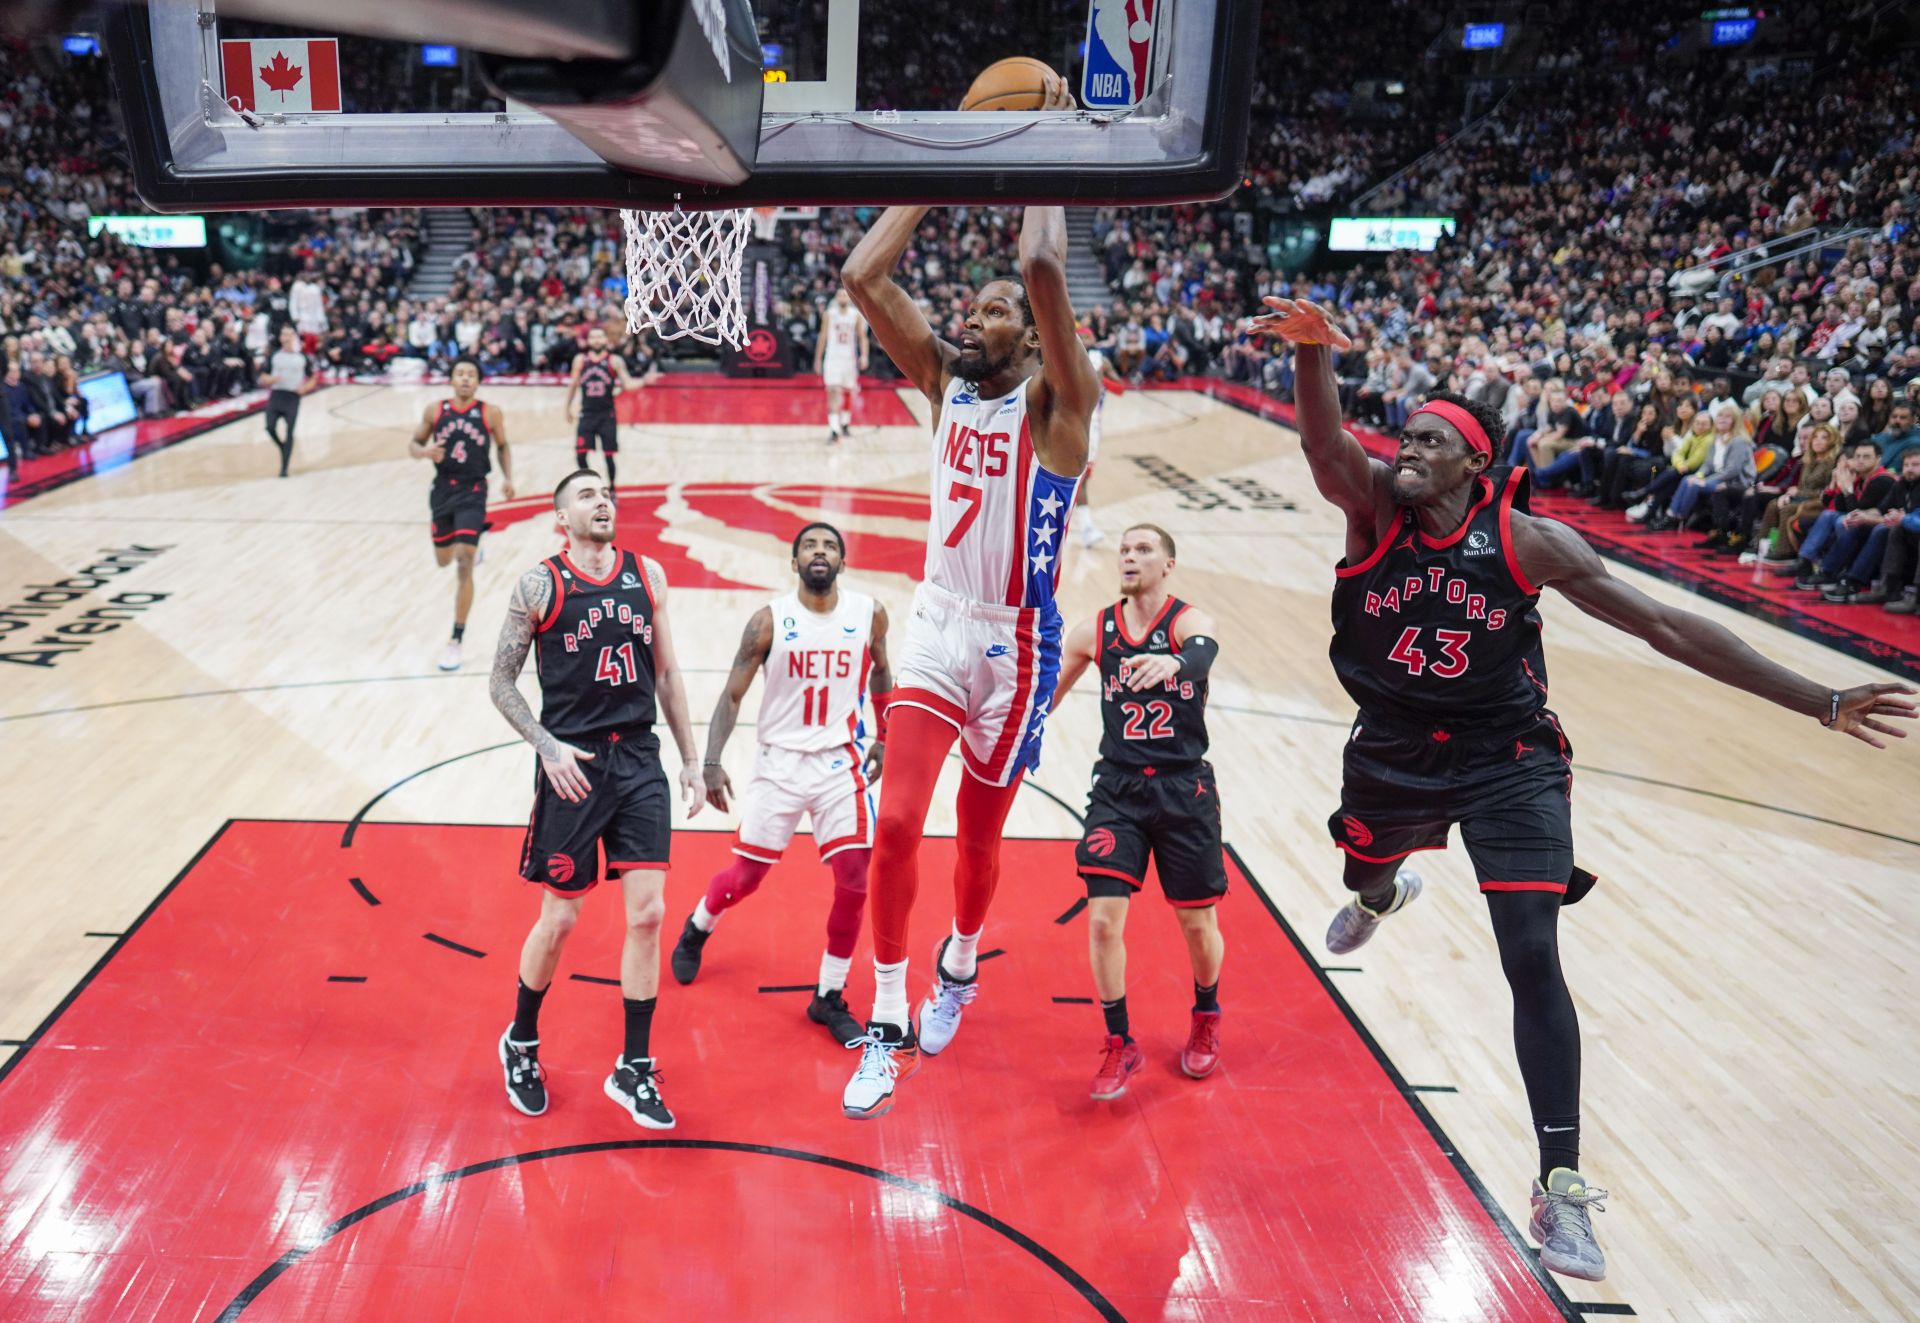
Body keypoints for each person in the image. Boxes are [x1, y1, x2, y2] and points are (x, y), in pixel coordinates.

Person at [1253, 295, 1915, 1283]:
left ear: (1474, 466)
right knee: (1365, 865)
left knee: (1530, 952)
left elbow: (1671, 629)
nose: (1409, 449)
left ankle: (1560, 1187)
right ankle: (1382, 892)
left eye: (1432, 440)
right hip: (1392, 745)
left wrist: (1817, 700)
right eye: (1408, 434)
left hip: (1509, 757)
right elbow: (1323, 445)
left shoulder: (1531, 544)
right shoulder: (1372, 507)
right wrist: (1311, 353)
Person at [835, 135, 1100, 1117]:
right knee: (896, 821)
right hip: (943, 621)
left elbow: (1038, 266)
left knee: (977, 840)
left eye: (994, 311)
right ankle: (889, 1014)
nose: (972, 315)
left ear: (1033, 335)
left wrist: (1037, 148)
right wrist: (939, 169)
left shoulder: (1068, 402)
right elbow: (866, 276)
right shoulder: (947, 384)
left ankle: (960, 960)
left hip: (1022, 643)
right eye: (972, 306)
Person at [487, 469, 704, 1129]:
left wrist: (693, 759)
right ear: (561, 517)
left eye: (608, 492)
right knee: (561, 920)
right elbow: (500, 682)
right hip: (573, 763)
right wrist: (547, 747)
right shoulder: (539, 585)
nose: (603, 500)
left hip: (638, 757)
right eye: (587, 494)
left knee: (649, 913)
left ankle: (632, 1066)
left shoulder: (648, 575)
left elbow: (665, 673)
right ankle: (520, 1039)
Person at [669, 522, 893, 1049]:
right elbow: (731, 695)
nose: (820, 552)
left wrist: (886, 734)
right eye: (809, 547)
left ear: (842, 562)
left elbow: (883, 672)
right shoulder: (769, 621)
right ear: (794, 564)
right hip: (780, 764)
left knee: (856, 879)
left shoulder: (869, 613)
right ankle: (700, 924)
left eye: (830, 546)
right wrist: (712, 762)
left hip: (841, 762)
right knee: (745, 878)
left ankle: (828, 995)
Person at [1051, 524, 1226, 1100]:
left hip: (1184, 790)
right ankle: (1119, 1041)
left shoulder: (1187, 621)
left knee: (1197, 924)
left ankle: (1205, 1012)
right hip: (1119, 790)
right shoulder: (1095, 631)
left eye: (1144, 549)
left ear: (1168, 564)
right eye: (1124, 549)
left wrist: (1175, 665)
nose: (1130, 557)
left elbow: (1201, 653)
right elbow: (1043, 699)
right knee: (1101, 919)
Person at [409, 357, 515, 671]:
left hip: (473, 490)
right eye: (460, 373)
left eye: (471, 374)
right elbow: (414, 444)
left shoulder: (490, 412)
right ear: (452, 379)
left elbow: (503, 446)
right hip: (442, 489)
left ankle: (456, 640)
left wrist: (509, 478)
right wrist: (424, 452)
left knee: (464, 562)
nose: (465, 378)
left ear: (478, 381)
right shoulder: (434, 410)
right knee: (443, 560)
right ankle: (470, 545)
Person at [1075, 324, 1129, 548]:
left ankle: (1083, 525)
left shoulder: (1100, 360)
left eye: (1087, 336)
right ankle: (1085, 526)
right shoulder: (1066, 356)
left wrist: (1100, 381)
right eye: (1080, 336)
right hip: (1070, 419)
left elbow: (1121, 388)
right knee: (1075, 478)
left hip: (1092, 424)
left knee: (1083, 477)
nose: (1084, 339)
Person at [565, 325, 635, 491]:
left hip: (607, 415)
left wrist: (644, 381)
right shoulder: (580, 360)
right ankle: (590, 485)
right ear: (588, 341)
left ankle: (611, 488)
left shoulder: (614, 360)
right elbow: (573, 385)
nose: (596, 340)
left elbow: (628, 382)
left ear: (606, 340)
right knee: (580, 454)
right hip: (587, 414)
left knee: (609, 456)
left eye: (600, 336)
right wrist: (567, 407)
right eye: (593, 337)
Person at [259, 326, 319, 478]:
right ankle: (282, 447)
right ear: (280, 338)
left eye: (290, 335)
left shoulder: (302, 357)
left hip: (292, 397)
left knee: (289, 432)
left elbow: (313, 377)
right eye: (284, 334)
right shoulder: (275, 356)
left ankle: (284, 468)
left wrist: (305, 388)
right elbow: (263, 376)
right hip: (277, 394)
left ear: (294, 337)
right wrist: (271, 380)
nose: (286, 338)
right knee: (269, 427)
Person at [815, 289, 870, 442]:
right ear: (836, 298)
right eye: (840, 295)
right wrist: (818, 358)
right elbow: (823, 336)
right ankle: (834, 429)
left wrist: (864, 356)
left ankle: (845, 424)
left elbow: (862, 338)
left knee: (847, 392)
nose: (842, 297)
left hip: (849, 359)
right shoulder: (829, 314)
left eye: (845, 295)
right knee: (833, 391)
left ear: (849, 298)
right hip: (833, 358)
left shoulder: (855, 315)